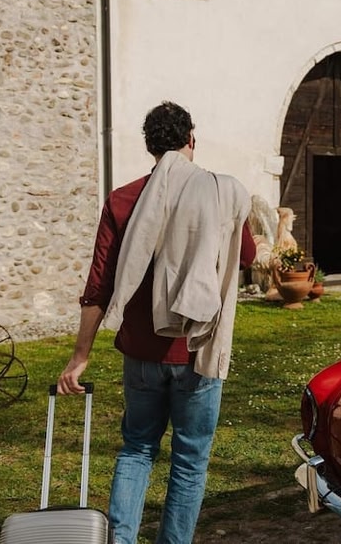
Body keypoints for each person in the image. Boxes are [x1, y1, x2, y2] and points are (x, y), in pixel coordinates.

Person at [57, 100, 256, 544]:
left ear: (150, 147)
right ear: (191, 140)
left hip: (141, 353)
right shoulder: (220, 194)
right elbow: (246, 257)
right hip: (196, 350)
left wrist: (80, 355)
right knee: (189, 461)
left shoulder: (122, 200)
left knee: (137, 449)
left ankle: (121, 540)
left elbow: (98, 285)